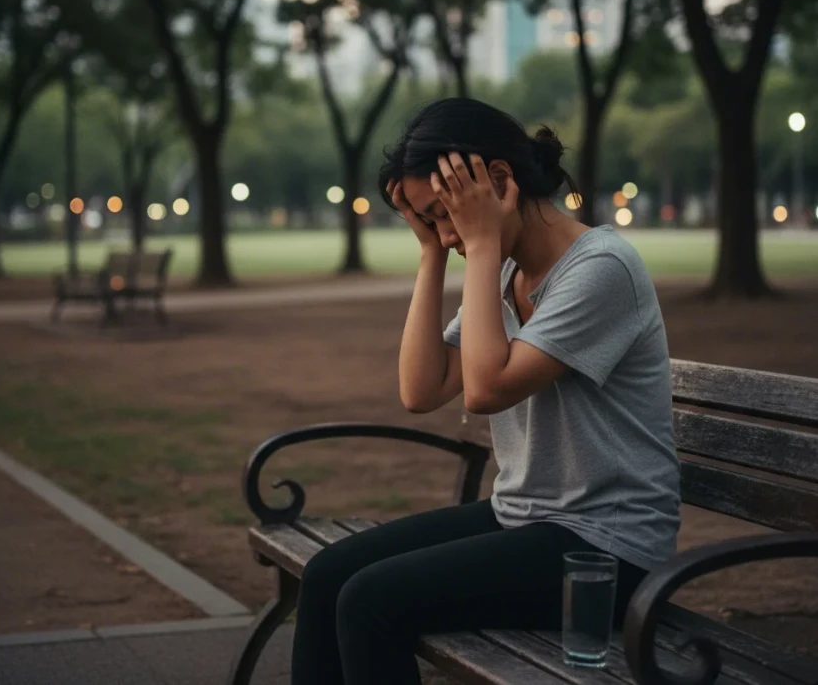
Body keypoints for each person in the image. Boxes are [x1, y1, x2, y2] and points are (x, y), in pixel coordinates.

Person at [290, 98, 681, 685]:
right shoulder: (503, 270)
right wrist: (430, 254)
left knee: (371, 600)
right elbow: (421, 390)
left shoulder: (602, 267)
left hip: (607, 548)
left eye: (443, 213)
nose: (445, 233)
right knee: (327, 575)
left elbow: (485, 388)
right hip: (527, 519)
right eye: (428, 220)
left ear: (499, 180)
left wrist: (478, 244)